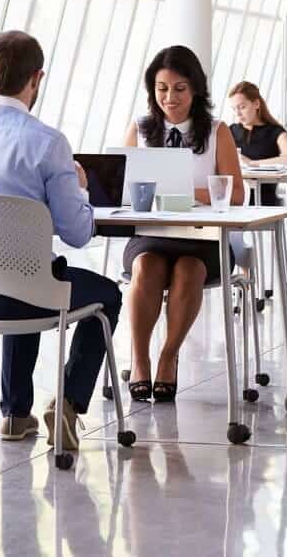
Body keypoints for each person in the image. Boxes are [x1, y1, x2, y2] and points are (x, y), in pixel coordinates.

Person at [0, 30, 121, 451]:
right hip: (27, 295)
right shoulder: (48, 143)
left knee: (25, 269)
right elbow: (76, 232)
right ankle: (67, 401)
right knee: (102, 294)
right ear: (37, 78)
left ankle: (15, 415)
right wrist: (82, 192)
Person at [121, 45, 245, 401]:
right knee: (146, 266)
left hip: (202, 240)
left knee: (189, 270)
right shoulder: (141, 129)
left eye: (179, 88)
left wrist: (182, 194)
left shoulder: (217, 132)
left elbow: (234, 196)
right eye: (161, 88)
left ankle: (168, 355)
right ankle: (140, 357)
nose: (169, 97)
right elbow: (123, 186)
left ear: (195, 90)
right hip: (152, 235)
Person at [227, 80, 287, 206]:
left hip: (264, 198)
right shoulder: (230, 130)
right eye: (234, 109)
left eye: (242, 107)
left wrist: (252, 163)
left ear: (256, 104)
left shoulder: (275, 131)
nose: (238, 114)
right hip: (234, 197)